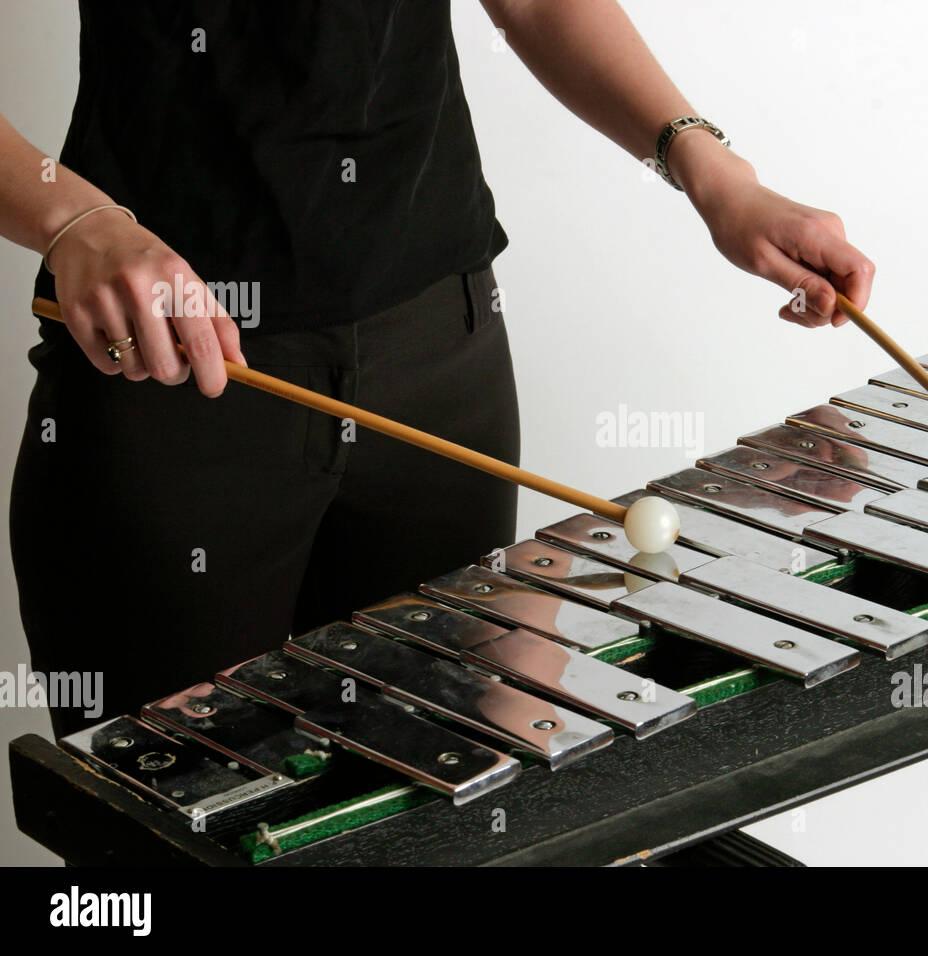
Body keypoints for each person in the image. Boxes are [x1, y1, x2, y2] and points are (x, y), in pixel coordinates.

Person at [0, 1, 874, 738]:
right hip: (172, 385)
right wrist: (77, 221)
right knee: (184, 819)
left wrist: (711, 169)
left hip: (442, 363)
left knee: (454, 799)